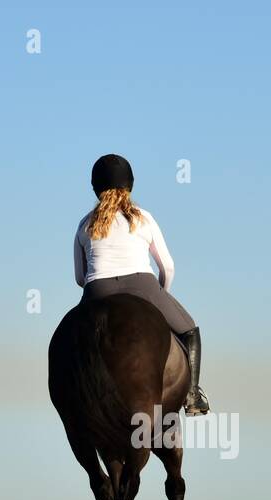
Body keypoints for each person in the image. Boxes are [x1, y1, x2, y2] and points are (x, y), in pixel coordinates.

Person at [73, 153, 210, 415]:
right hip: (142, 285)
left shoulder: (84, 224)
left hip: (96, 290)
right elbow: (167, 266)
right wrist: (159, 296)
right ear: (130, 185)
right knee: (190, 329)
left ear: (95, 188)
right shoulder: (143, 218)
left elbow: (80, 278)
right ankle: (192, 396)